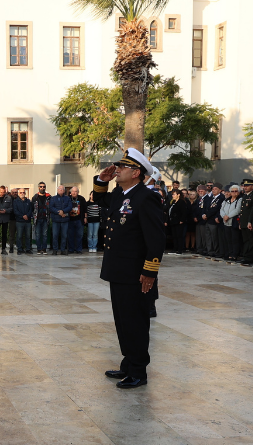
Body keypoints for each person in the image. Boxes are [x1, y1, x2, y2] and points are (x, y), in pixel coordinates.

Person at [94, 149, 164, 389]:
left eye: (122, 167)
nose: (117, 170)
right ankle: (128, 363)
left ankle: (138, 371)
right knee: (123, 321)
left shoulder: (146, 197)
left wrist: (149, 272)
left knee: (135, 322)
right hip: (119, 270)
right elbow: (100, 200)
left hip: (136, 274)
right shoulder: (121, 194)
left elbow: (155, 239)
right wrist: (102, 181)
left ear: (136, 173)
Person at [219, 184, 242, 260]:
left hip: (233, 222)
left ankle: (234, 254)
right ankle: (228, 253)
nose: (234, 192)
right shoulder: (226, 200)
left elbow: (237, 210)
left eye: (236, 191)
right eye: (232, 191)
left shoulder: (240, 199)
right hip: (226, 222)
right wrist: (224, 216)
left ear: (238, 192)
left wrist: (228, 216)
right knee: (227, 239)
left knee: (234, 239)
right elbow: (221, 209)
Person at [167, 187, 191, 254]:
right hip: (173, 221)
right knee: (174, 235)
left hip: (179, 221)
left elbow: (184, 212)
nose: (173, 196)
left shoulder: (181, 202)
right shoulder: (174, 202)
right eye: (172, 194)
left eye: (174, 194)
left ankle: (180, 249)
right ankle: (175, 248)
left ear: (178, 195)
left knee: (179, 236)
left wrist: (182, 220)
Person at [49, 186, 72, 255]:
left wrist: (63, 211)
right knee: (55, 235)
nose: (61, 190)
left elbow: (70, 207)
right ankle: (55, 250)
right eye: (60, 189)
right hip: (56, 220)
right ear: (57, 190)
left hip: (65, 220)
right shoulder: (53, 198)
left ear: (64, 191)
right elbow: (51, 207)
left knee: (64, 236)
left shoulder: (67, 198)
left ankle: (62, 250)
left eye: (62, 189)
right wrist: (59, 212)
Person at [12, 188, 33, 254]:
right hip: (19, 221)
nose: (22, 194)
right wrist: (22, 216)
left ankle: (28, 249)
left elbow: (31, 210)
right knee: (19, 236)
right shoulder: (15, 201)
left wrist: (27, 215)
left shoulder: (28, 201)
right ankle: (20, 249)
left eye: (23, 192)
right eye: (20, 192)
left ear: (25, 193)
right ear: (18, 193)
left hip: (27, 221)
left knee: (28, 236)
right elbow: (15, 211)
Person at [68, 186, 86, 254]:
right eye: (73, 191)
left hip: (79, 220)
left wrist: (85, 218)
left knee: (79, 235)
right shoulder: (68, 198)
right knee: (70, 235)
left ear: (78, 192)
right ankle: (71, 249)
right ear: (71, 192)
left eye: (75, 191)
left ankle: (79, 249)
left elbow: (85, 209)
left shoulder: (81, 199)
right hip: (70, 220)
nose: (74, 193)